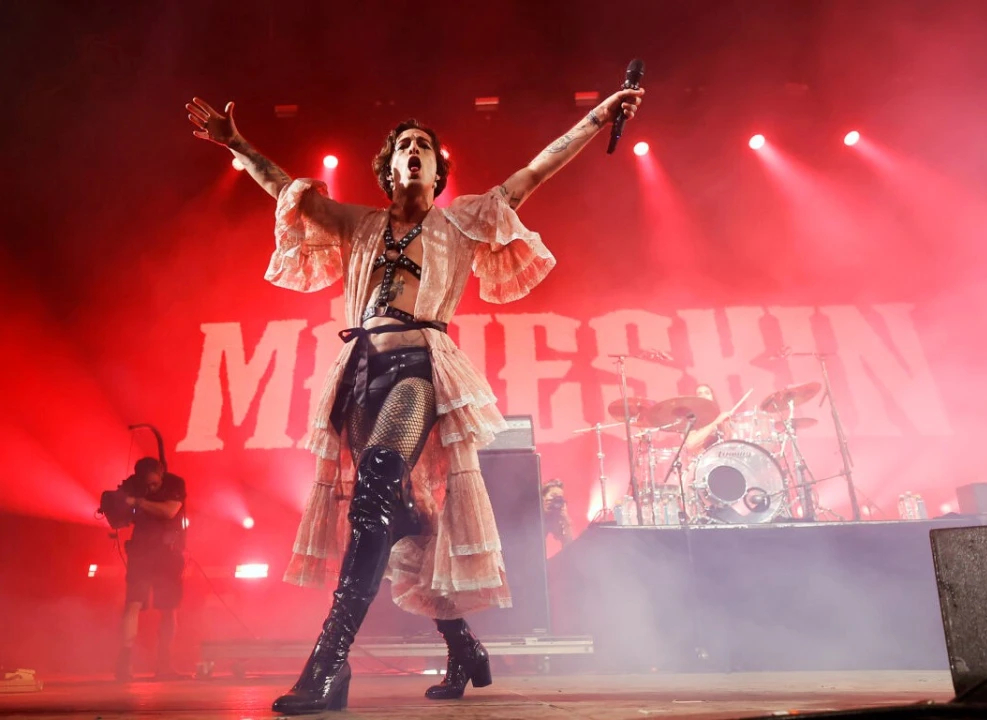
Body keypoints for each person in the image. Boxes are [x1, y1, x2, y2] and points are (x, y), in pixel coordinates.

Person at [185, 84, 643, 714]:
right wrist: (236, 144)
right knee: (397, 521)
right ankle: (464, 648)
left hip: (418, 371)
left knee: (376, 490)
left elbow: (536, 169)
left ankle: (327, 664)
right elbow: (285, 188)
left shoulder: (462, 221)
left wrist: (598, 116)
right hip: (359, 375)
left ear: (436, 169)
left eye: (425, 145)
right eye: (405, 145)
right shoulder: (359, 224)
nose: (416, 150)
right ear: (390, 168)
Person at [115, 457, 187, 682]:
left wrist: (138, 502)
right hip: (141, 552)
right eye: (147, 484)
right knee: (133, 604)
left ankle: (165, 664)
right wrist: (118, 504)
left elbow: (170, 511)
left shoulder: (174, 484)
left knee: (169, 609)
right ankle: (125, 662)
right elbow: (118, 517)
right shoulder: (131, 485)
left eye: (154, 484)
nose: (151, 488)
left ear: (161, 474)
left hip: (168, 553)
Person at [683, 384, 733, 454]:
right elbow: (690, 444)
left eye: (707, 393)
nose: (704, 396)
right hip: (702, 458)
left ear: (712, 397)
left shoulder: (718, 416)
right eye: (700, 394)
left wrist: (727, 426)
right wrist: (715, 423)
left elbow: (728, 442)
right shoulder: (691, 418)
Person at [541, 479, 574, 548]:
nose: (556, 500)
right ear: (543, 497)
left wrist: (566, 519)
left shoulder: (554, 517)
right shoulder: (533, 511)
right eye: (553, 496)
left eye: (559, 498)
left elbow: (568, 543)